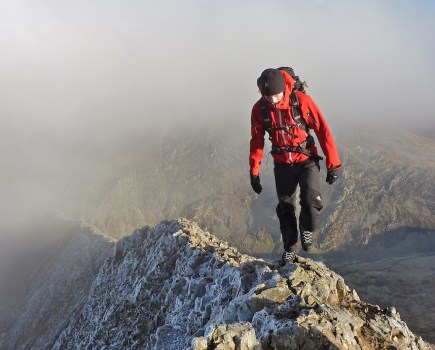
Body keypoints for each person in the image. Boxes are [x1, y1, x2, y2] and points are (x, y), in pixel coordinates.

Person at [249, 68, 341, 266]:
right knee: (285, 207)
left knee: (310, 197)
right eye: (268, 96)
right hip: (282, 164)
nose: (272, 100)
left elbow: (322, 129)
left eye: (276, 95)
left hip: (306, 158)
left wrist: (334, 164)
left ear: (284, 90)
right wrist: (254, 172)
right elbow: (256, 140)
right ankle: (290, 247)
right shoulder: (259, 109)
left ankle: (308, 228)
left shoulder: (301, 101)